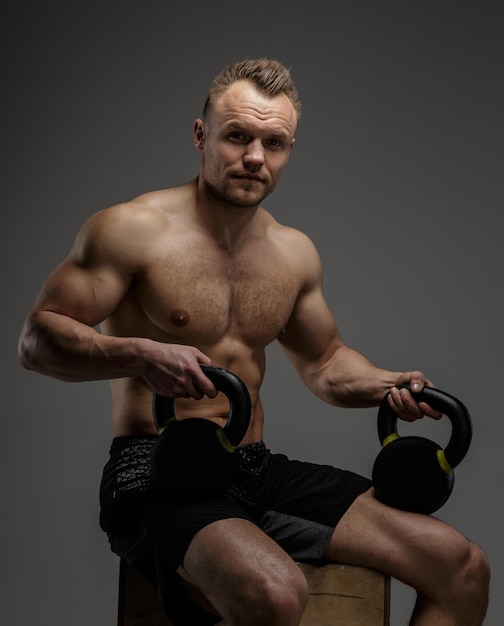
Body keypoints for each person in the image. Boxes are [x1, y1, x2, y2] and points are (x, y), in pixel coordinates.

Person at [18, 58, 489, 626]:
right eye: (237, 136)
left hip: (253, 467)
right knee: (274, 592)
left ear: (291, 148)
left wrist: (390, 385)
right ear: (201, 135)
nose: (255, 158)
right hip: (159, 471)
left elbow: (326, 363)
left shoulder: (293, 253)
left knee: (460, 567)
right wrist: (140, 354)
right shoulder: (130, 230)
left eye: (275, 142)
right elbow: (37, 338)